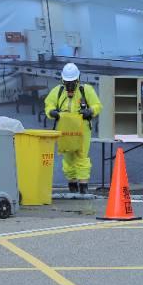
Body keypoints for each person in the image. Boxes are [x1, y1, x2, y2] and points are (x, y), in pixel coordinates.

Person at [44, 63, 101, 194]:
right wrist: (51, 112)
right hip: (65, 129)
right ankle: (72, 184)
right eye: (67, 82)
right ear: (63, 80)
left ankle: (83, 187)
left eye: (72, 82)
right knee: (68, 157)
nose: (69, 85)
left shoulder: (85, 90)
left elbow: (97, 105)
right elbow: (49, 104)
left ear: (78, 79)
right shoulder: (58, 91)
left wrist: (90, 111)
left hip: (82, 130)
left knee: (81, 156)